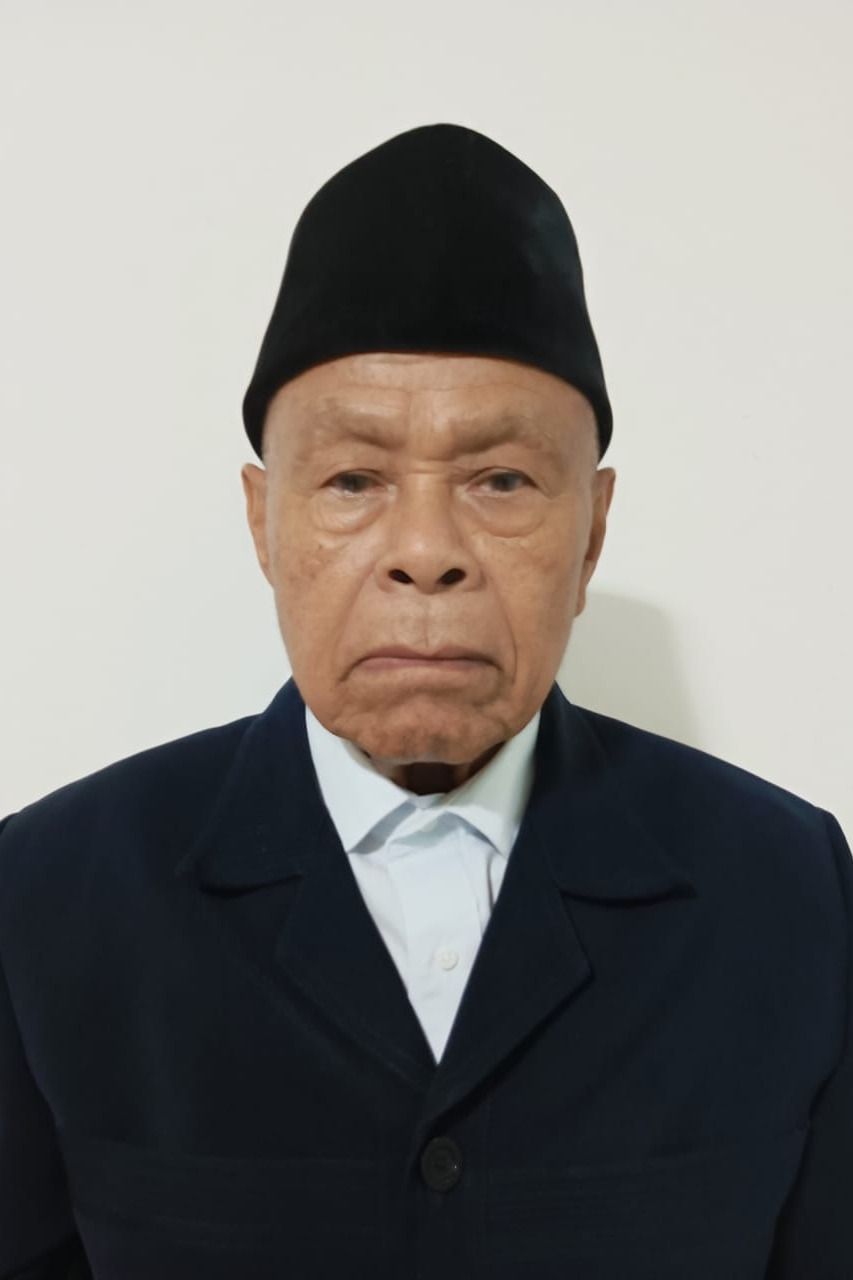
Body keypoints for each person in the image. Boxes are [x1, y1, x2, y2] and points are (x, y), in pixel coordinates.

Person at [0, 122, 850, 1279]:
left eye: (500, 478)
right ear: (263, 521)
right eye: (353, 478)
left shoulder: (789, 890)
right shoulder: (49, 895)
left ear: (591, 532)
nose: (424, 551)